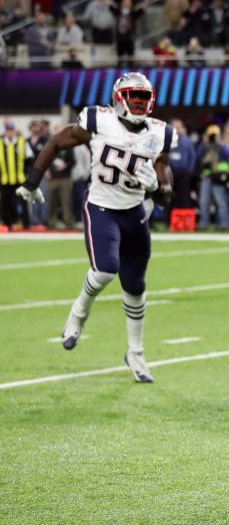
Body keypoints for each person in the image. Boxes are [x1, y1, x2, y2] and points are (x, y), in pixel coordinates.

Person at [16, 72, 175, 383]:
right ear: (118, 97)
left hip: (135, 213)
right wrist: (32, 181)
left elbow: (166, 195)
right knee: (105, 269)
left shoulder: (160, 134)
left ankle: (136, 353)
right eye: (134, 96)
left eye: (144, 97)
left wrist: (157, 186)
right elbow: (57, 141)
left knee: (135, 286)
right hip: (101, 206)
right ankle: (78, 313)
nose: (140, 102)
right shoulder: (98, 121)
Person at [0, 120, 33, 230]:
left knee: (23, 202)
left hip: (20, 178)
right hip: (5, 179)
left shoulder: (22, 142)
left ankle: (26, 224)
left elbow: (30, 159)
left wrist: (30, 175)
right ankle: (8, 224)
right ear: (5, 131)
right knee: (5, 202)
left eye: (12, 130)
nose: (10, 133)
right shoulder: (0, 143)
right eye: (8, 131)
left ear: (14, 131)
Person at [45, 124, 76, 229]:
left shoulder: (68, 144)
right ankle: (51, 223)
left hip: (65, 177)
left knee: (66, 201)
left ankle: (69, 223)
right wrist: (46, 171)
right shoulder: (49, 144)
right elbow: (45, 159)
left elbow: (73, 161)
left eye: (60, 131)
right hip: (53, 178)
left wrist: (65, 165)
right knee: (51, 201)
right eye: (56, 130)